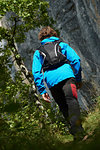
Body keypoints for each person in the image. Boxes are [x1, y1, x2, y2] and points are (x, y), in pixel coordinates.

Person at [32, 26, 85, 140]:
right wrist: (78, 78)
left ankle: (76, 134)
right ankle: (79, 132)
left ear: (41, 38)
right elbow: (76, 60)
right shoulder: (62, 45)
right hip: (67, 76)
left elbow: (36, 72)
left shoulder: (38, 52)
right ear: (54, 35)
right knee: (72, 101)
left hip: (52, 82)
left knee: (63, 106)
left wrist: (42, 90)